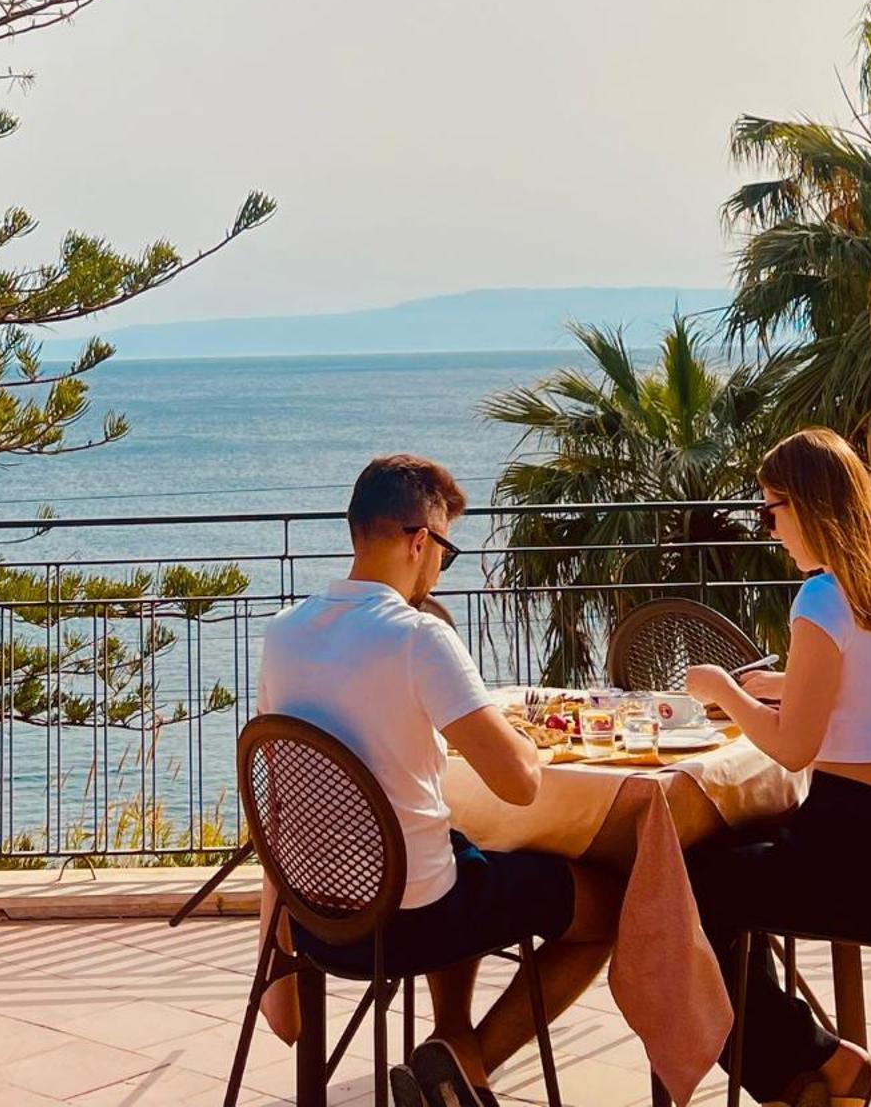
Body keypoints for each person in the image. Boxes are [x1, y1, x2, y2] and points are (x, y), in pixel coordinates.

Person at [258, 454, 619, 1107]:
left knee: (466, 856)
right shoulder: (420, 637)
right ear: (421, 540)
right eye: (446, 555)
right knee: (609, 908)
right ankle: (469, 1054)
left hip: (316, 918)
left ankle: (453, 1060)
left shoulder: (283, 634)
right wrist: (520, 739)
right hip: (410, 921)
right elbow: (519, 785)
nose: (439, 571)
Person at [683, 427, 871, 1107]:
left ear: (810, 506)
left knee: (680, 890)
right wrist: (788, 685)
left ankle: (810, 1068)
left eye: (772, 509)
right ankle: (807, 1069)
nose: (770, 528)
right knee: (714, 866)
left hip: (843, 858)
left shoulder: (824, 599)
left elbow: (794, 749)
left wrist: (726, 692)